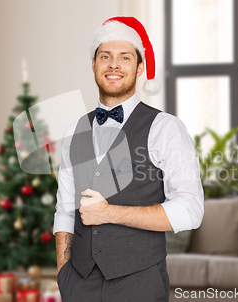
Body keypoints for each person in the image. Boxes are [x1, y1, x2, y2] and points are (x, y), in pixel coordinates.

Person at [53, 16, 204, 302]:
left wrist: (110, 213)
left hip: (139, 284)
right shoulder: (75, 129)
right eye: (105, 56)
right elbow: (65, 210)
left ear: (139, 67)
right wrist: (64, 274)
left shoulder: (165, 128)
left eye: (125, 57)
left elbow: (191, 211)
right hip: (78, 283)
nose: (114, 65)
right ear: (94, 65)